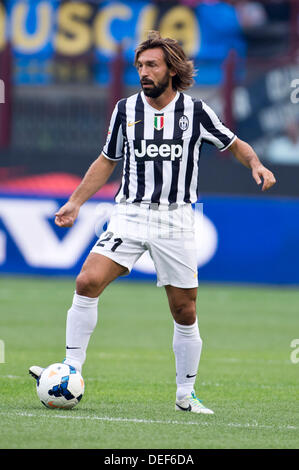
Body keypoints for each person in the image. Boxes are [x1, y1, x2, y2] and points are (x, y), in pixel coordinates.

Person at [29, 31, 276, 414]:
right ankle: (70, 369)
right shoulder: (126, 110)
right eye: (140, 65)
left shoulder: (196, 111)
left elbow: (234, 144)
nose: (144, 72)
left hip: (175, 219)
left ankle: (185, 394)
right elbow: (106, 160)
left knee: (184, 310)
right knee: (87, 280)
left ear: (171, 70)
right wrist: (76, 201)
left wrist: (256, 164)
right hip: (129, 213)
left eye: (152, 65)